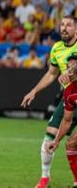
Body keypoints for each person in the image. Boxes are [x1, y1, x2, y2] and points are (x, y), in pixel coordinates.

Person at [22, 15, 77, 188]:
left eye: (69, 25)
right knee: (50, 134)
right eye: (62, 25)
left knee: (73, 143)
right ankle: (45, 177)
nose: (64, 28)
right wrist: (34, 91)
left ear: (76, 29)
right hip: (70, 97)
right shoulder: (57, 49)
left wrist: (72, 71)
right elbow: (51, 74)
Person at [46, 53, 77, 187]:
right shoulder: (69, 92)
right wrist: (56, 141)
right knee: (70, 144)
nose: (69, 70)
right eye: (67, 67)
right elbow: (66, 121)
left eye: (73, 65)